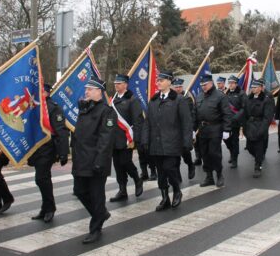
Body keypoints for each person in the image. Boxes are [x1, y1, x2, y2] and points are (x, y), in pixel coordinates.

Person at [71, 75, 115, 244]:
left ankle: (95, 228)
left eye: (90, 89)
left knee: (96, 196)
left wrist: (99, 162)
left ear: (99, 92)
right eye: (86, 89)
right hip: (81, 160)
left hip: (96, 162)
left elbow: (106, 140)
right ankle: (101, 214)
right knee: (80, 191)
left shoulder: (106, 111)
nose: (86, 92)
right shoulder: (84, 109)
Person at [143, 71, 193, 211]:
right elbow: (148, 123)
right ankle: (165, 197)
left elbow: (186, 123)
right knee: (161, 172)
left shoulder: (179, 100)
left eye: (162, 80)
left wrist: (187, 142)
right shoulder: (153, 101)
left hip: (172, 142)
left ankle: (177, 190)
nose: (158, 82)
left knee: (170, 168)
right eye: (157, 80)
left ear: (169, 82)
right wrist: (145, 140)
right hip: (156, 143)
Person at [27, 83, 70, 223]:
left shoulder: (53, 108)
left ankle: (50, 208)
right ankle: (45, 208)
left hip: (48, 148)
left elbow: (61, 131)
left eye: (41, 92)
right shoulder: (34, 107)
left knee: (41, 178)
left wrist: (63, 153)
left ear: (46, 93)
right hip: (36, 148)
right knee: (41, 179)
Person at [108, 74, 144, 202]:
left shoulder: (132, 100)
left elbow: (138, 121)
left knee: (125, 162)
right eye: (115, 83)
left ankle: (137, 179)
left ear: (125, 85)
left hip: (127, 138)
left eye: (119, 83)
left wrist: (135, 139)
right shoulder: (113, 100)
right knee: (117, 165)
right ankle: (122, 190)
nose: (116, 85)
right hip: (114, 138)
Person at [194, 74, 232, 188]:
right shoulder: (199, 96)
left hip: (215, 128)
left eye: (205, 84)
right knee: (204, 154)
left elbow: (227, 114)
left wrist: (227, 129)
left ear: (211, 83)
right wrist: (192, 129)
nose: (203, 87)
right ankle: (209, 176)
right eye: (201, 85)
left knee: (214, 153)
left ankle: (219, 175)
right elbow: (194, 114)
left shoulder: (220, 96)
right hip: (202, 129)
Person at [243, 79, 275, 176]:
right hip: (250, 126)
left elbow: (268, 117)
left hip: (260, 125)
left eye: (255, 87)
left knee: (259, 148)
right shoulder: (249, 98)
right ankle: (258, 157)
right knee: (249, 147)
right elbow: (244, 112)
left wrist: (262, 129)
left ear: (261, 88)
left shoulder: (266, 99)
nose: (253, 89)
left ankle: (258, 166)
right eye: (252, 87)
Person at [172, 78, 196, 180]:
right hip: (173, 130)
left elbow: (190, 115)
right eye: (176, 87)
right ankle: (177, 174)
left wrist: (192, 129)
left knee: (185, 152)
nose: (178, 89)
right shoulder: (170, 98)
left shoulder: (187, 98)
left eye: (179, 87)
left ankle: (190, 165)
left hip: (183, 129)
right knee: (174, 154)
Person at [224, 75, 245, 169]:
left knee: (234, 140)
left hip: (236, 121)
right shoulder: (226, 93)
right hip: (226, 121)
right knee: (226, 139)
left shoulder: (241, 94)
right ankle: (232, 152)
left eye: (232, 83)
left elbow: (244, 108)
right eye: (229, 83)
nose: (230, 85)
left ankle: (234, 159)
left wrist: (236, 117)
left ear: (236, 84)